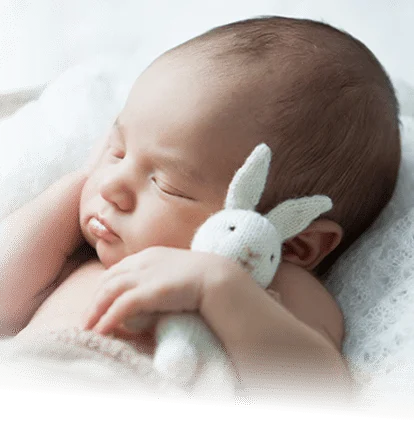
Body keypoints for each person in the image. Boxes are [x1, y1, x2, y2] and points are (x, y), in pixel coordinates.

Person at [0, 16, 401, 405]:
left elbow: (322, 391)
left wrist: (220, 288)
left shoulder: (274, 287)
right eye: (117, 151)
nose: (112, 186)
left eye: (167, 184)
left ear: (297, 244)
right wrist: (78, 181)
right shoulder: (82, 258)